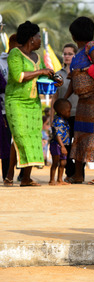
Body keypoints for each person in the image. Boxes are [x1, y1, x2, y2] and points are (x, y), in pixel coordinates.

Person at [3, 21, 61, 187]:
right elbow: (18, 76)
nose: (40, 40)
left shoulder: (37, 57)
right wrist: (41, 71)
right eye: (38, 36)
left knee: (33, 138)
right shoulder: (15, 53)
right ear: (31, 38)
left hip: (33, 103)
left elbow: (43, 76)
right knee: (20, 136)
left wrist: (55, 78)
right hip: (16, 102)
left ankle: (26, 177)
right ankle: (10, 174)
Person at [65, 16, 94, 185]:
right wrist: (64, 98)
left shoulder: (91, 48)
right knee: (80, 134)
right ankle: (78, 174)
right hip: (84, 100)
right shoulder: (78, 54)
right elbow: (74, 78)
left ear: (73, 35)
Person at [52, 43, 79, 179]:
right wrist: (52, 116)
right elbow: (55, 96)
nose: (67, 56)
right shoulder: (58, 75)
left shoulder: (80, 72)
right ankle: (70, 173)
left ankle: (79, 174)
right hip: (62, 117)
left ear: (75, 55)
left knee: (78, 145)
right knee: (65, 146)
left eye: (70, 54)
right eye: (65, 54)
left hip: (78, 114)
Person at [0, 34, 20, 181]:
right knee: (6, 142)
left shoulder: (24, 60)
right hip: (4, 109)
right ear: (12, 44)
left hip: (21, 107)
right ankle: (7, 174)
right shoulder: (1, 62)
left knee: (22, 141)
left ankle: (23, 174)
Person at [49, 99, 71, 185]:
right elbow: (58, 135)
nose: (70, 113)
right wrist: (62, 146)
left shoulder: (65, 121)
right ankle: (52, 180)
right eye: (68, 111)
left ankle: (60, 179)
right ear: (62, 112)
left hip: (64, 145)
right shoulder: (57, 121)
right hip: (57, 145)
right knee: (55, 162)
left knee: (63, 163)